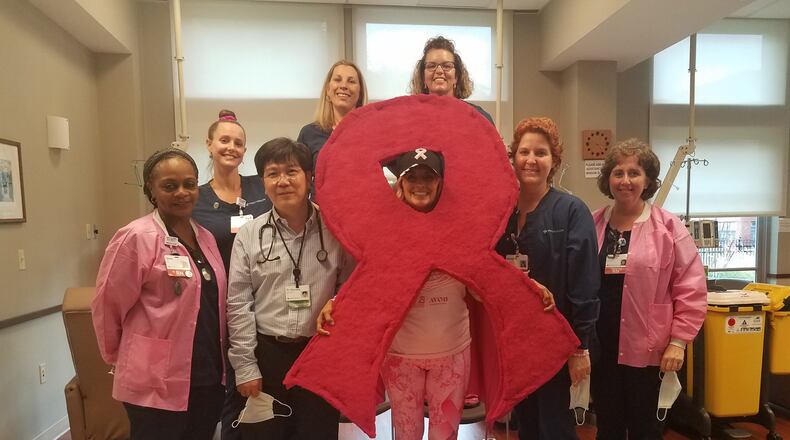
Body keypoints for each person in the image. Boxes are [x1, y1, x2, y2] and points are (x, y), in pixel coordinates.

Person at [92, 148, 227, 440]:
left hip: (206, 375)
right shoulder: (136, 237)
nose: (182, 193)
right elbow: (107, 305)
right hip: (153, 379)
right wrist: (122, 357)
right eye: (169, 186)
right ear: (151, 191)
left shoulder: (205, 237)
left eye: (189, 184)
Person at [226, 137, 352, 439]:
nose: (283, 181)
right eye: (273, 173)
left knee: (317, 434)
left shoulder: (336, 230)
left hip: (319, 355)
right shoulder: (249, 235)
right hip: (267, 356)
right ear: (263, 182)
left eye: (291, 171)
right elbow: (239, 305)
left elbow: (352, 288)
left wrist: (337, 301)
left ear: (309, 177)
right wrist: (245, 367)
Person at [590, 138, 706, 440]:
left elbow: (691, 287)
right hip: (602, 348)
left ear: (648, 180)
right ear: (608, 179)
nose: (625, 180)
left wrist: (679, 342)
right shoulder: (594, 224)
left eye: (634, 173)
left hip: (649, 350)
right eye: (618, 172)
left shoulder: (668, 228)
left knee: (646, 429)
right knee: (608, 428)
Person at [494, 117, 600, 440]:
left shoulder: (571, 211)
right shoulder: (501, 214)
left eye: (541, 153)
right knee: (527, 426)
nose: (531, 160)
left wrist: (579, 348)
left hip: (559, 344)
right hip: (517, 343)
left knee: (555, 428)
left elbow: (584, 284)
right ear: (513, 157)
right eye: (524, 152)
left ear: (554, 160)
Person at [192, 109, 271, 440]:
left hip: (263, 300)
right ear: (209, 144)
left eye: (238, 143)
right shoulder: (196, 198)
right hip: (217, 307)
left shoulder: (260, 189)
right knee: (227, 387)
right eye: (224, 140)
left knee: (260, 385)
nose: (231, 148)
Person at [297, 61, 368, 172]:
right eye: (337, 80)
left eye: (351, 81)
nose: (343, 86)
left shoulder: (371, 132)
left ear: (360, 93)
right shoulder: (309, 133)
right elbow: (299, 175)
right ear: (328, 90)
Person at [409, 36, 494, 124]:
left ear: (456, 76)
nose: (439, 71)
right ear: (423, 77)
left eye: (447, 66)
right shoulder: (410, 117)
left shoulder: (479, 117)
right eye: (431, 66)